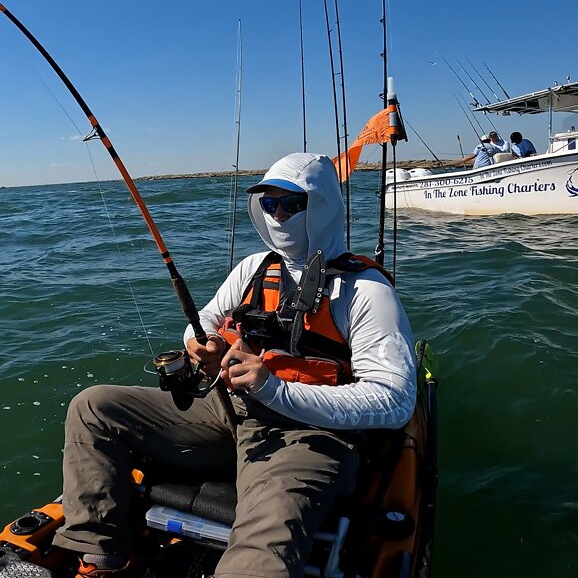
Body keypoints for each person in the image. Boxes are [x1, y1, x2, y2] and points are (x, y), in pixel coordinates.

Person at [53, 152, 416, 578]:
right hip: (229, 414)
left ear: (321, 206)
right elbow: (202, 322)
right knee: (93, 407)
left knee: (263, 544)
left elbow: (395, 400)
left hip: (310, 436)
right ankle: (102, 559)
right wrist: (199, 345)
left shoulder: (366, 291)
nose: (278, 214)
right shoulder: (254, 268)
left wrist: (276, 391)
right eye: (269, 204)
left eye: (291, 204)